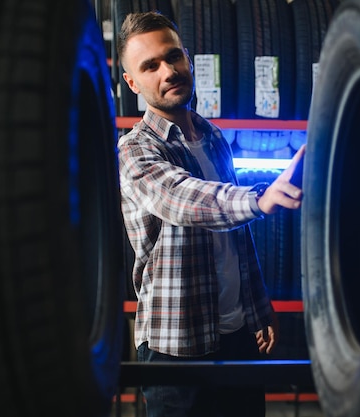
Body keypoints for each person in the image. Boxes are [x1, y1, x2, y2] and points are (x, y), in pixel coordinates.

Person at [116, 11, 305, 417]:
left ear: (187, 57)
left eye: (173, 57)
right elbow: (181, 199)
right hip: (176, 344)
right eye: (150, 66)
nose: (168, 71)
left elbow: (235, 238)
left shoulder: (214, 136)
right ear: (132, 83)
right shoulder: (135, 149)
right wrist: (259, 198)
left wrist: (258, 305)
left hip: (236, 333)